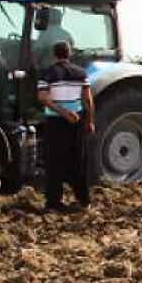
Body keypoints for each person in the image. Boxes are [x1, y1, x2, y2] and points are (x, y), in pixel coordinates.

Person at [36, 41, 94, 212]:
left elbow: (43, 98)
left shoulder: (47, 73)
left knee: (54, 161)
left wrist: (63, 112)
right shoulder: (81, 73)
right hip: (78, 121)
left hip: (56, 122)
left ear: (54, 54)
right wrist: (90, 120)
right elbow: (88, 100)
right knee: (78, 160)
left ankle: (54, 202)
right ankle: (83, 200)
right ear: (69, 54)